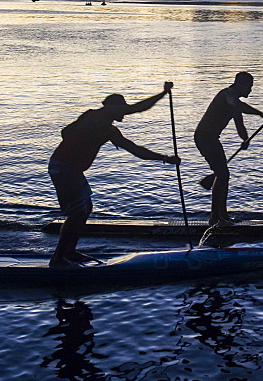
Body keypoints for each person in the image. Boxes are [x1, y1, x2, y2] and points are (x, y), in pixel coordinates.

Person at [48, 82, 180, 267]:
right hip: (63, 167)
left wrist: (165, 159)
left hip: (73, 169)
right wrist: (163, 93)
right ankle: (58, 260)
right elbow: (139, 108)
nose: (124, 113)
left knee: (85, 208)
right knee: (78, 211)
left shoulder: (109, 130)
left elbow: (136, 150)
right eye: (122, 109)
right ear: (111, 108)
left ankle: (69, 251)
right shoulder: (95, 116)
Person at [193, 72, 263, 227]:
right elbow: (239, 106)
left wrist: (245, 139)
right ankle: (216, 219)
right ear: (241, 85)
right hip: (204, 137)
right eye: (249, 87)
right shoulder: (228, 94)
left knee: (223, 175)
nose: (250, 90)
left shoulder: (234, 103)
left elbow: (239, 125)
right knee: (222, 174)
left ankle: (221, 216)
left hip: (211, 138)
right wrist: (262, 114)